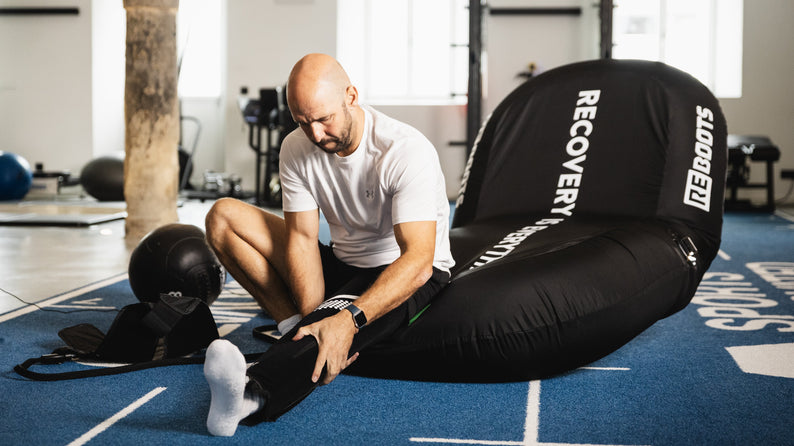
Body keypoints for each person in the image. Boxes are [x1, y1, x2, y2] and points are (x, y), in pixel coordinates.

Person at [201, 53, 455, 436]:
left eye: (323, 119)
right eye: (303, 123)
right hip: (342, 261)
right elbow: (303, 239)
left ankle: (249, 399)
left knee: (335, 322)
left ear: (351, 96)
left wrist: (347, 319)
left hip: (402, 269)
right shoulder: (295, 148)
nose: (316, 135)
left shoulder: (404, 150)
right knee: (223, 217)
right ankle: (291, 328)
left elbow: (419, 260)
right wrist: (308, 320)